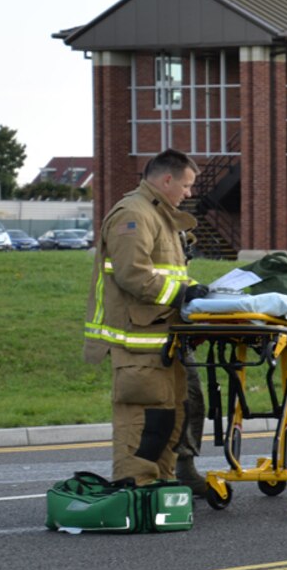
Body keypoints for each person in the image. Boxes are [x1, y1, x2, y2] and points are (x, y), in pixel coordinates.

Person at [85, 149, 209, 485]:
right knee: (142, 421)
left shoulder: (159, 215)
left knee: (168, 417)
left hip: (163, 342)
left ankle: (160, 487)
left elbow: (169, 273)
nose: (189, 193)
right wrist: (182, 294)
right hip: (138, 344)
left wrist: (199, 292)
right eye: (186, 185)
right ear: (167, 179)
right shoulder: (134, 214)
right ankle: (136, 489)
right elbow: (132, 274)